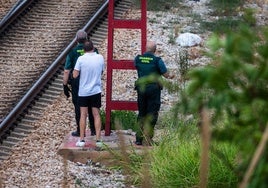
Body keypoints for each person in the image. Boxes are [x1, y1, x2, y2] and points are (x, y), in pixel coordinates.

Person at [134, 40, 174, 146]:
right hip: (153, 90)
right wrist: (172, 75)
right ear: (155, 50)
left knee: (141, 114)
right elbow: (165, 74)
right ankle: (148, 138)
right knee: (152, 114)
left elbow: (137, 66)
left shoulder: (138, 59)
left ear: (145, 48)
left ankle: (138, 139)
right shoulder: (157, 60)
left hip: (141, 89)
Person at [63, 30, 97, 137]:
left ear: (76, 40)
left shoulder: (72, 52)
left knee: (79, 107)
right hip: (92, 81)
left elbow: (67, 70)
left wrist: (65, 85)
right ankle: (93, 130)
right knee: (92, 106)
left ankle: (79, 131)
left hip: (77, 83)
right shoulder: (94, 51)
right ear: (87, 38)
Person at [73, 40, 105, 147]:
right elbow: (101, 71)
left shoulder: (81, 59)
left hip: (84, 91)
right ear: (93, 47)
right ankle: (98, 140)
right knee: (96, 114)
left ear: (83, 50)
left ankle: (82, 140)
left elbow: (75, 75)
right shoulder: (100, 57)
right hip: (96, 90)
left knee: (83, 115)